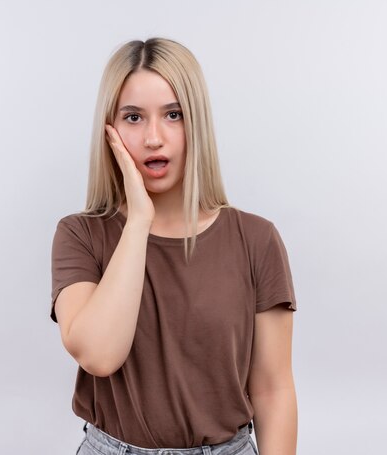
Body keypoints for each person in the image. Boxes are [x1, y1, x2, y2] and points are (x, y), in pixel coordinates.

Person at [50, 37, 297, 455]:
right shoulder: (80, 235)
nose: (153, 138)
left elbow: (273, 391)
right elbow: (99, 354)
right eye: (132, 117)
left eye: (173, 114)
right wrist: (140, 221)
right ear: (109, 129)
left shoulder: (256, 239)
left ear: (196, 122)